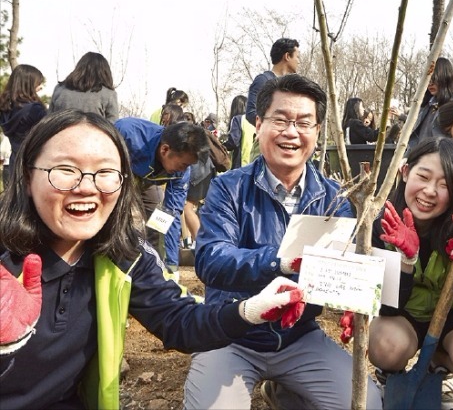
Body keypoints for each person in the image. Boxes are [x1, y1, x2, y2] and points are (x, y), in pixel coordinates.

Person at [0, 109, 307, 409]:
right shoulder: (130, 137)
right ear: (28, 177)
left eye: (105, 172)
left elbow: (180, 318)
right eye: (65, 170)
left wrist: (250, 309)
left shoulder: (124, 256)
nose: (87, 187)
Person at [184, 74, 383, 410]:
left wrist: (357, 294)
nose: (291, 132)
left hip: (299, 337)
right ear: (259, 124)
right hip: (232, 333)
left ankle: (287, 389)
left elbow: (351, 266)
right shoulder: (228, 188)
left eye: (304, 122)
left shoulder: (335, 197)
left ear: (317, 132)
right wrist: (280, 261)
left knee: (364, 404)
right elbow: (210, 260)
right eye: (280, 119)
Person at [368, 137, 453, 410]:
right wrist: (406, 262)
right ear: (405, 172)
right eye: (423, 177)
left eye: (445, 185)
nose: (430, 191)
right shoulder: (382, 223)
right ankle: (388, 374)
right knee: (385, 348)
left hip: (449, 312)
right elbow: (388, 308)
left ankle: (439, 364)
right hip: (403, 314)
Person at [114, 117, 209, 276]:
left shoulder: (182, 172)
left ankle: (154, 269)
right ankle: (122, 267)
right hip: (119, 176)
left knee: (157, 224)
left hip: (148, 180)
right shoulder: (126, 134)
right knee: (129, 223)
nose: (185, 170)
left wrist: (172, 267)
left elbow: (171, 215)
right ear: (165, 150)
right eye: (184, 164)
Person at [408, 57, 453, 149]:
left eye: (435, 78)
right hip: (421, 159)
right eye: (428, 79)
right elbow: (416, 138)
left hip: (447, 159)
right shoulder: (425, 106)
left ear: (445, 78)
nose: (430, 83)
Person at [0, 64, 47, 180]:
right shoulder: (34, 110)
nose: (40, 87)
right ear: (29, 84)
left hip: (14, 163)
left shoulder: (4, 108)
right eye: (38, 83)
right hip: (34, 164)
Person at [245, 37, 300, 128]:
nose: (299, 61)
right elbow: (251, 113)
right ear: (287, 56)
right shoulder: (263, 80)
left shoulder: (290, 85)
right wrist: (277, 126)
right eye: (297, 57)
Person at [49, 52, 118, 122]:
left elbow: (49, 120)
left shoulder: (60, 89)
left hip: (61, 131)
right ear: (105, 72)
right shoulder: (108, 94)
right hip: (92, 132)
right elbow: (113, 125)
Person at [223, 94, 254, 170]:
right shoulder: (254, 120)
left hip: (240, 165)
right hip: (254, 163)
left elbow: (233, 142)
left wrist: (222, 146)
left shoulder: (238, 119)